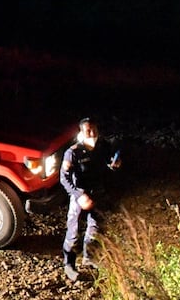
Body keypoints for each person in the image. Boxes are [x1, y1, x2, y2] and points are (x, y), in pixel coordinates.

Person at [60, 117, 121, 281]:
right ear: (81, 132)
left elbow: (110, 162)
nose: (92, 133)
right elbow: (64, 178)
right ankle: (69, 265)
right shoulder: (73, 152)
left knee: (94, 230)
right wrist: (79, 196)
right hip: (79, 196)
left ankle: (89, 258)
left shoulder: (103, 146)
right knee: (73, 234)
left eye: (94, 129)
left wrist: (115, 164)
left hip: (98, 194)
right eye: (88, 130)